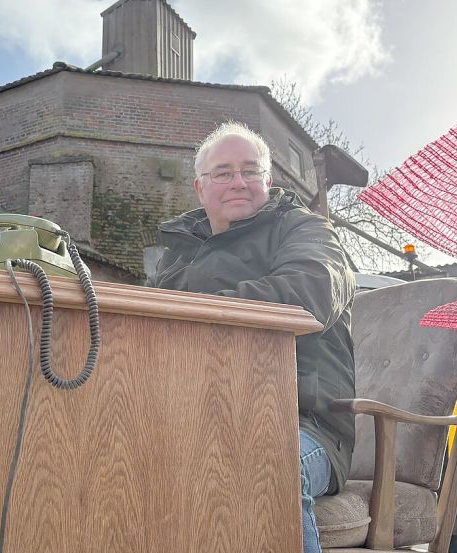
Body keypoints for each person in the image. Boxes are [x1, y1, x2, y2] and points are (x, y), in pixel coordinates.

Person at [148, 121, 355, 553]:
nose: (237, 182)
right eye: (222, 173)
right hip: (193, 417)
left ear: (268, 179)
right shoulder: (176, 255)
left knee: (262, 458)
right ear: (200, 188)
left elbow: (312, 290)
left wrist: (197, 314)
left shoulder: (305, 230)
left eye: (249, 170)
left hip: (301, 423)